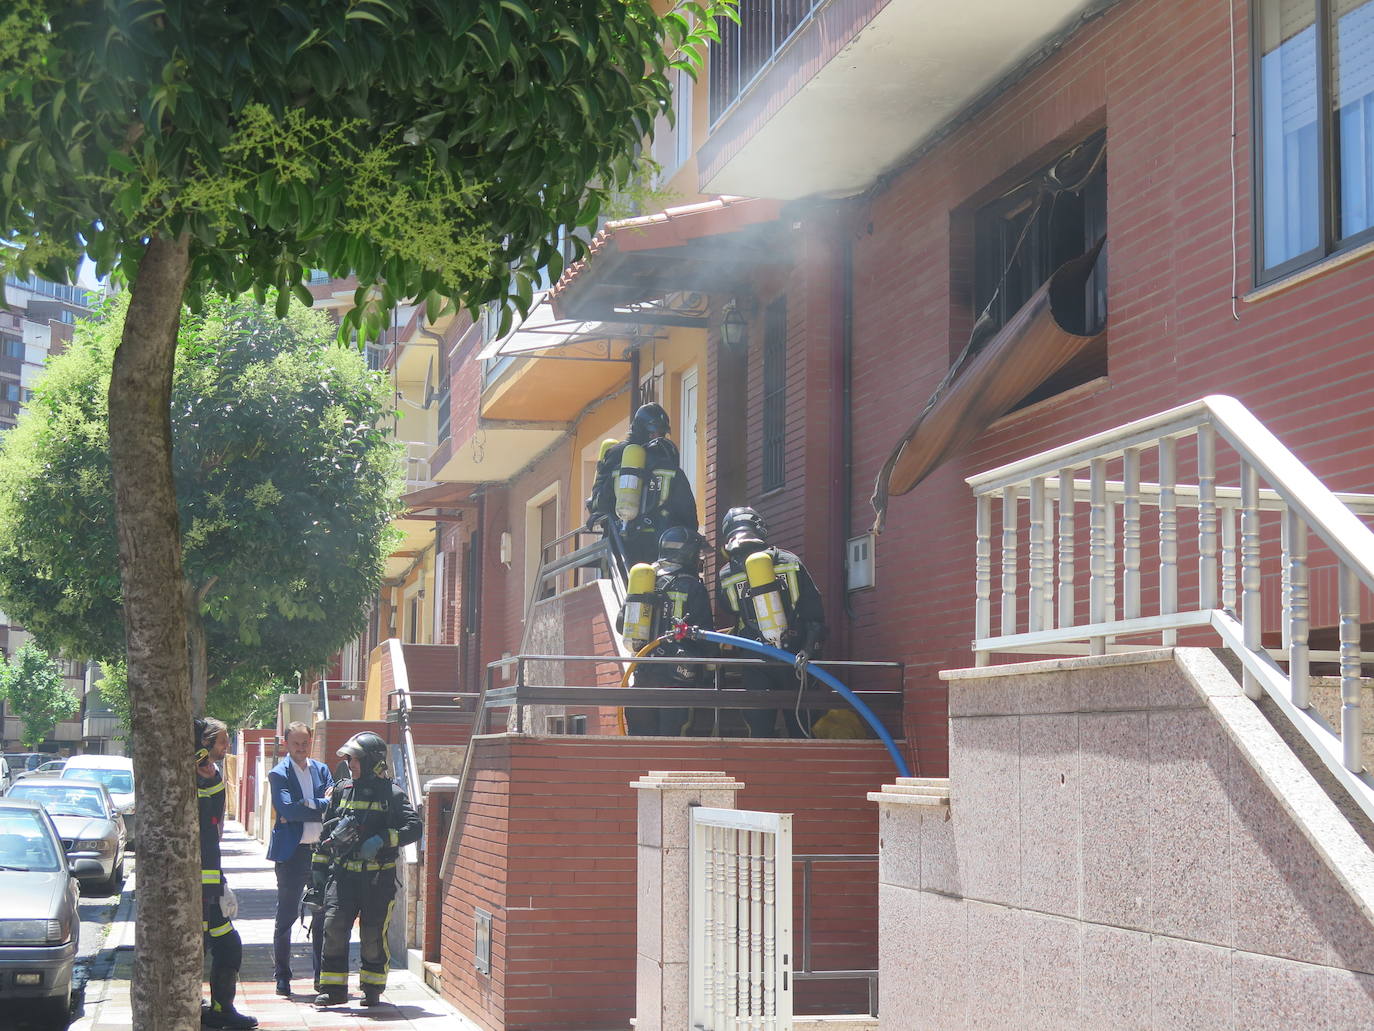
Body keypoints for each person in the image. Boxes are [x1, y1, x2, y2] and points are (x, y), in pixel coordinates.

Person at [314, 732, 422, 1008]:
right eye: (349, 759)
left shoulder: (392, 794)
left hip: (377, 877)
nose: (350, 764)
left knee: (373, 934)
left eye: (355, 759)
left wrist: (383, 839)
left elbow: (414, 827)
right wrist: (316, 879)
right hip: (343, 876)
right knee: (334, 927)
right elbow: (326, 833)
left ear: (373, 760)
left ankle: (372, 989)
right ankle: (332, 989)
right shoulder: (341, 790)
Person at [715, 506, 827, 738]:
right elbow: (814, 611)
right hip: (796, 657)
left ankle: (758, 773)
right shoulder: (790, 561)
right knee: (802, 726)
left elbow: (728, 608)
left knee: (759, 728)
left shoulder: (727, 573)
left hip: (755, 659)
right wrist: (809, 648)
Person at [617, 526, 716, 736]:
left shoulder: (645, 582)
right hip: (677, 684)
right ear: (688, 554)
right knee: (673, 748)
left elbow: (621, 624)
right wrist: (709, 675)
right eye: (697, 555)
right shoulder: (693, 587)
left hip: (643, 679)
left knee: (641, 748)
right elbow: (707, 638)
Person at [195, 717, 258, 1029]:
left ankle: (220, 1010)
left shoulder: (209, 776)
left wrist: (221, 883)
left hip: (210, 883)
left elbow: (214, 829)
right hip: (194, 888)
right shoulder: (189, 780)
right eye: (221, 742)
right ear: (204, 744)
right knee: (204, 949)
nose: (226, 748)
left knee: (225, 945)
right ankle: (205, 1010)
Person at [586, 402, 699, 568]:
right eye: (655, 432)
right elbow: (688, 515)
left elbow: (602, 501)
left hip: (622, 544)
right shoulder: (671, 469)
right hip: (660, 547)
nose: (657, 437)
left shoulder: (617, 456)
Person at [266, 721, 332, 997]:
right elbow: (286, 810)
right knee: (287, 916)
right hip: (292, 855)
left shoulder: (322, 769)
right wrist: (318, 805)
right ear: (286, 743)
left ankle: (321, 978)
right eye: (296, 743)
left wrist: (305, 806)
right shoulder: (278, 774)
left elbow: (334, 803)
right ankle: (282, 976)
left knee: (322, 917)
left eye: (305, 743)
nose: (301, 748)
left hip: (320, 853)